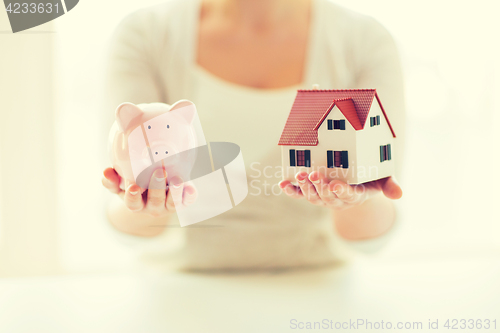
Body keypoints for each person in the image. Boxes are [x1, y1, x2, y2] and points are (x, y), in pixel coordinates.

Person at [101, 0, 405, 270]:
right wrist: (142, 204)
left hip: (318, 288)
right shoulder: (146, 35)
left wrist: (358, 199)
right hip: (181, 289)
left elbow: (374, 231)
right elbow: (125, 218)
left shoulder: (365, 41)